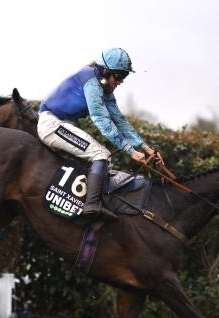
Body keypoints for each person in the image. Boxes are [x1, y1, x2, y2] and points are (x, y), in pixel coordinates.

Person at [37, 48, 161, 220]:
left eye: (124, 77)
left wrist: (145, 148)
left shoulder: (104, 87)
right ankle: (91, 205)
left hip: (60, 124)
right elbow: (102, 120)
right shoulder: (91, 82)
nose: (120, 81)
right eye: (119, 76)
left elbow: (119, 120)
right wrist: (130, 151)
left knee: (101, 158)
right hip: (52, 124)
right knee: (101, 154)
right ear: (105, 70)